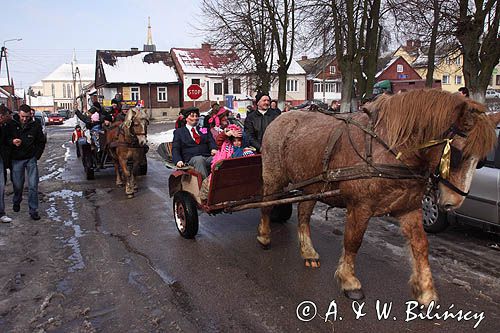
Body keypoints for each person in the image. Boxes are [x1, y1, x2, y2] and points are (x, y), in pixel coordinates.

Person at [7, 104, 46, 220]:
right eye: (23, 116)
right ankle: (17, 199)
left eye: (27, 117)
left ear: (30, 115)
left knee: (33, 185)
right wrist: (12, 142)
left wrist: (36, 155)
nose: (25, 119)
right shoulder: (11, 125)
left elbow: (41, 141)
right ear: (19, 113)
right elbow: (4, 139)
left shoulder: (35, 125)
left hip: (30, 158)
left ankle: (33, 210)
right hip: (16, 159)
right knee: (18, 185)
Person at [172, 107, 217, 179]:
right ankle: (205, 186)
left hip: (207, 156)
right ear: (186, 118)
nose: (195, 118)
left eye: (196, 116)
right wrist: (178, 160)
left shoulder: (204, 129)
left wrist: (213, 148)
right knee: (199, 160)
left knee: (220, 160)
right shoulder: (179, 132)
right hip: (191, 159)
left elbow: (211, 141)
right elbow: (176, 148)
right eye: (192, 116)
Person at [0, 105, 12, 223]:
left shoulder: (4, 126)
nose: (9, 118)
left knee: (1, 186)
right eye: (7, 116)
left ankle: (1, 213)